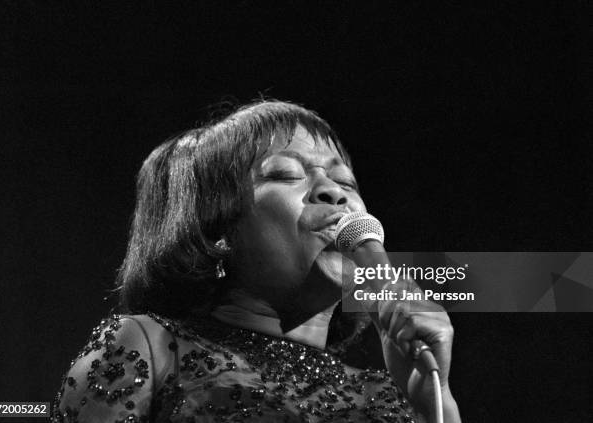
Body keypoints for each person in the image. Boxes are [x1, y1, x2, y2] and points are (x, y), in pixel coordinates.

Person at [52, 100, 461, 423]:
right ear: (217, 231)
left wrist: (432, 399)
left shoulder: (389, 394)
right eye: (285, 174)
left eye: (345, 182)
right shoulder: (153, 346)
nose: (334, 194)